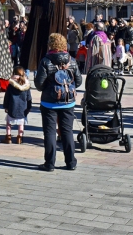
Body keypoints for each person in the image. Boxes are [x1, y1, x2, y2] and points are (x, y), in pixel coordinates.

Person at [34, 33, 82, 171]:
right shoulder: (71, 60)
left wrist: (49, 87)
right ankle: (71, 162)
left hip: (49, 102)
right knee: (67, 131)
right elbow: (78, 81)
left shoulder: (46, 61)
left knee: (49, 132)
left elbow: (39, 84)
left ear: (51, 44)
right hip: (68, 101)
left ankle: (49, 164)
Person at [3, 65, 32, 144]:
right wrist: (29, 107)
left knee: (8, 123)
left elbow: (7, 97)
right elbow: (29, 98)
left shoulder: (11, 85)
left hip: (12, 107)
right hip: (23, 108)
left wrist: (5, 106)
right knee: (21, 124)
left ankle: (8, 137)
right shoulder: (26, 86)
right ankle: (19, 137)